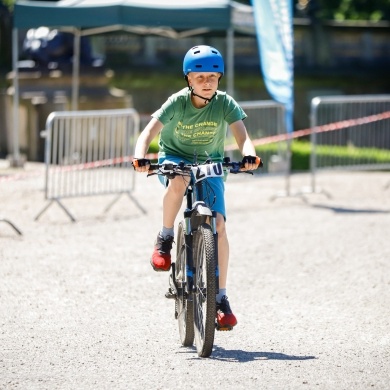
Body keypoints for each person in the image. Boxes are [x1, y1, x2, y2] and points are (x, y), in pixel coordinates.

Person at [133, 45, 261, 329]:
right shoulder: (177, 102)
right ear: (188, 79)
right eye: (200, 77)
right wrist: (140, 156)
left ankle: (221, 298)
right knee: (179, 181)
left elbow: (243, 137)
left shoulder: (225, 103)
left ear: (219, 78)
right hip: (175, 159)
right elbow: (148, 133)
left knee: (219, 225)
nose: (207, 82)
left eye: (213, 77)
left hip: (210, 162)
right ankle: (165, 238)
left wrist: (249, 155)